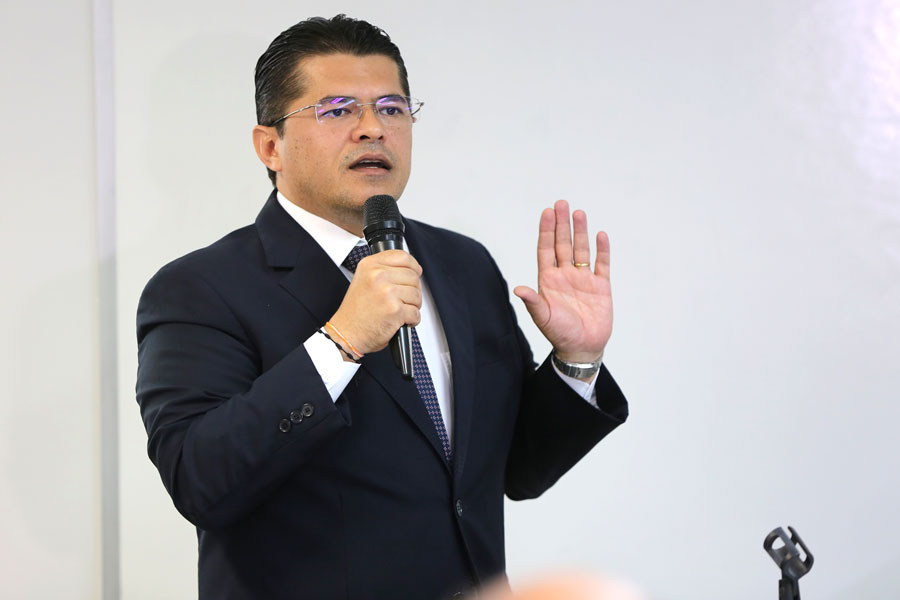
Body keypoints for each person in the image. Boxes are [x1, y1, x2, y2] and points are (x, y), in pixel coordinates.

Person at [136, 14, 628, 600]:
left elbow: (516, 469)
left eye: (392, 109)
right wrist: (341, 341)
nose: (372, 128)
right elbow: (200, 482)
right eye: (337, 110)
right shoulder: (200, 287)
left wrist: (576, 360)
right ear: (270, 146)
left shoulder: (462, 264)